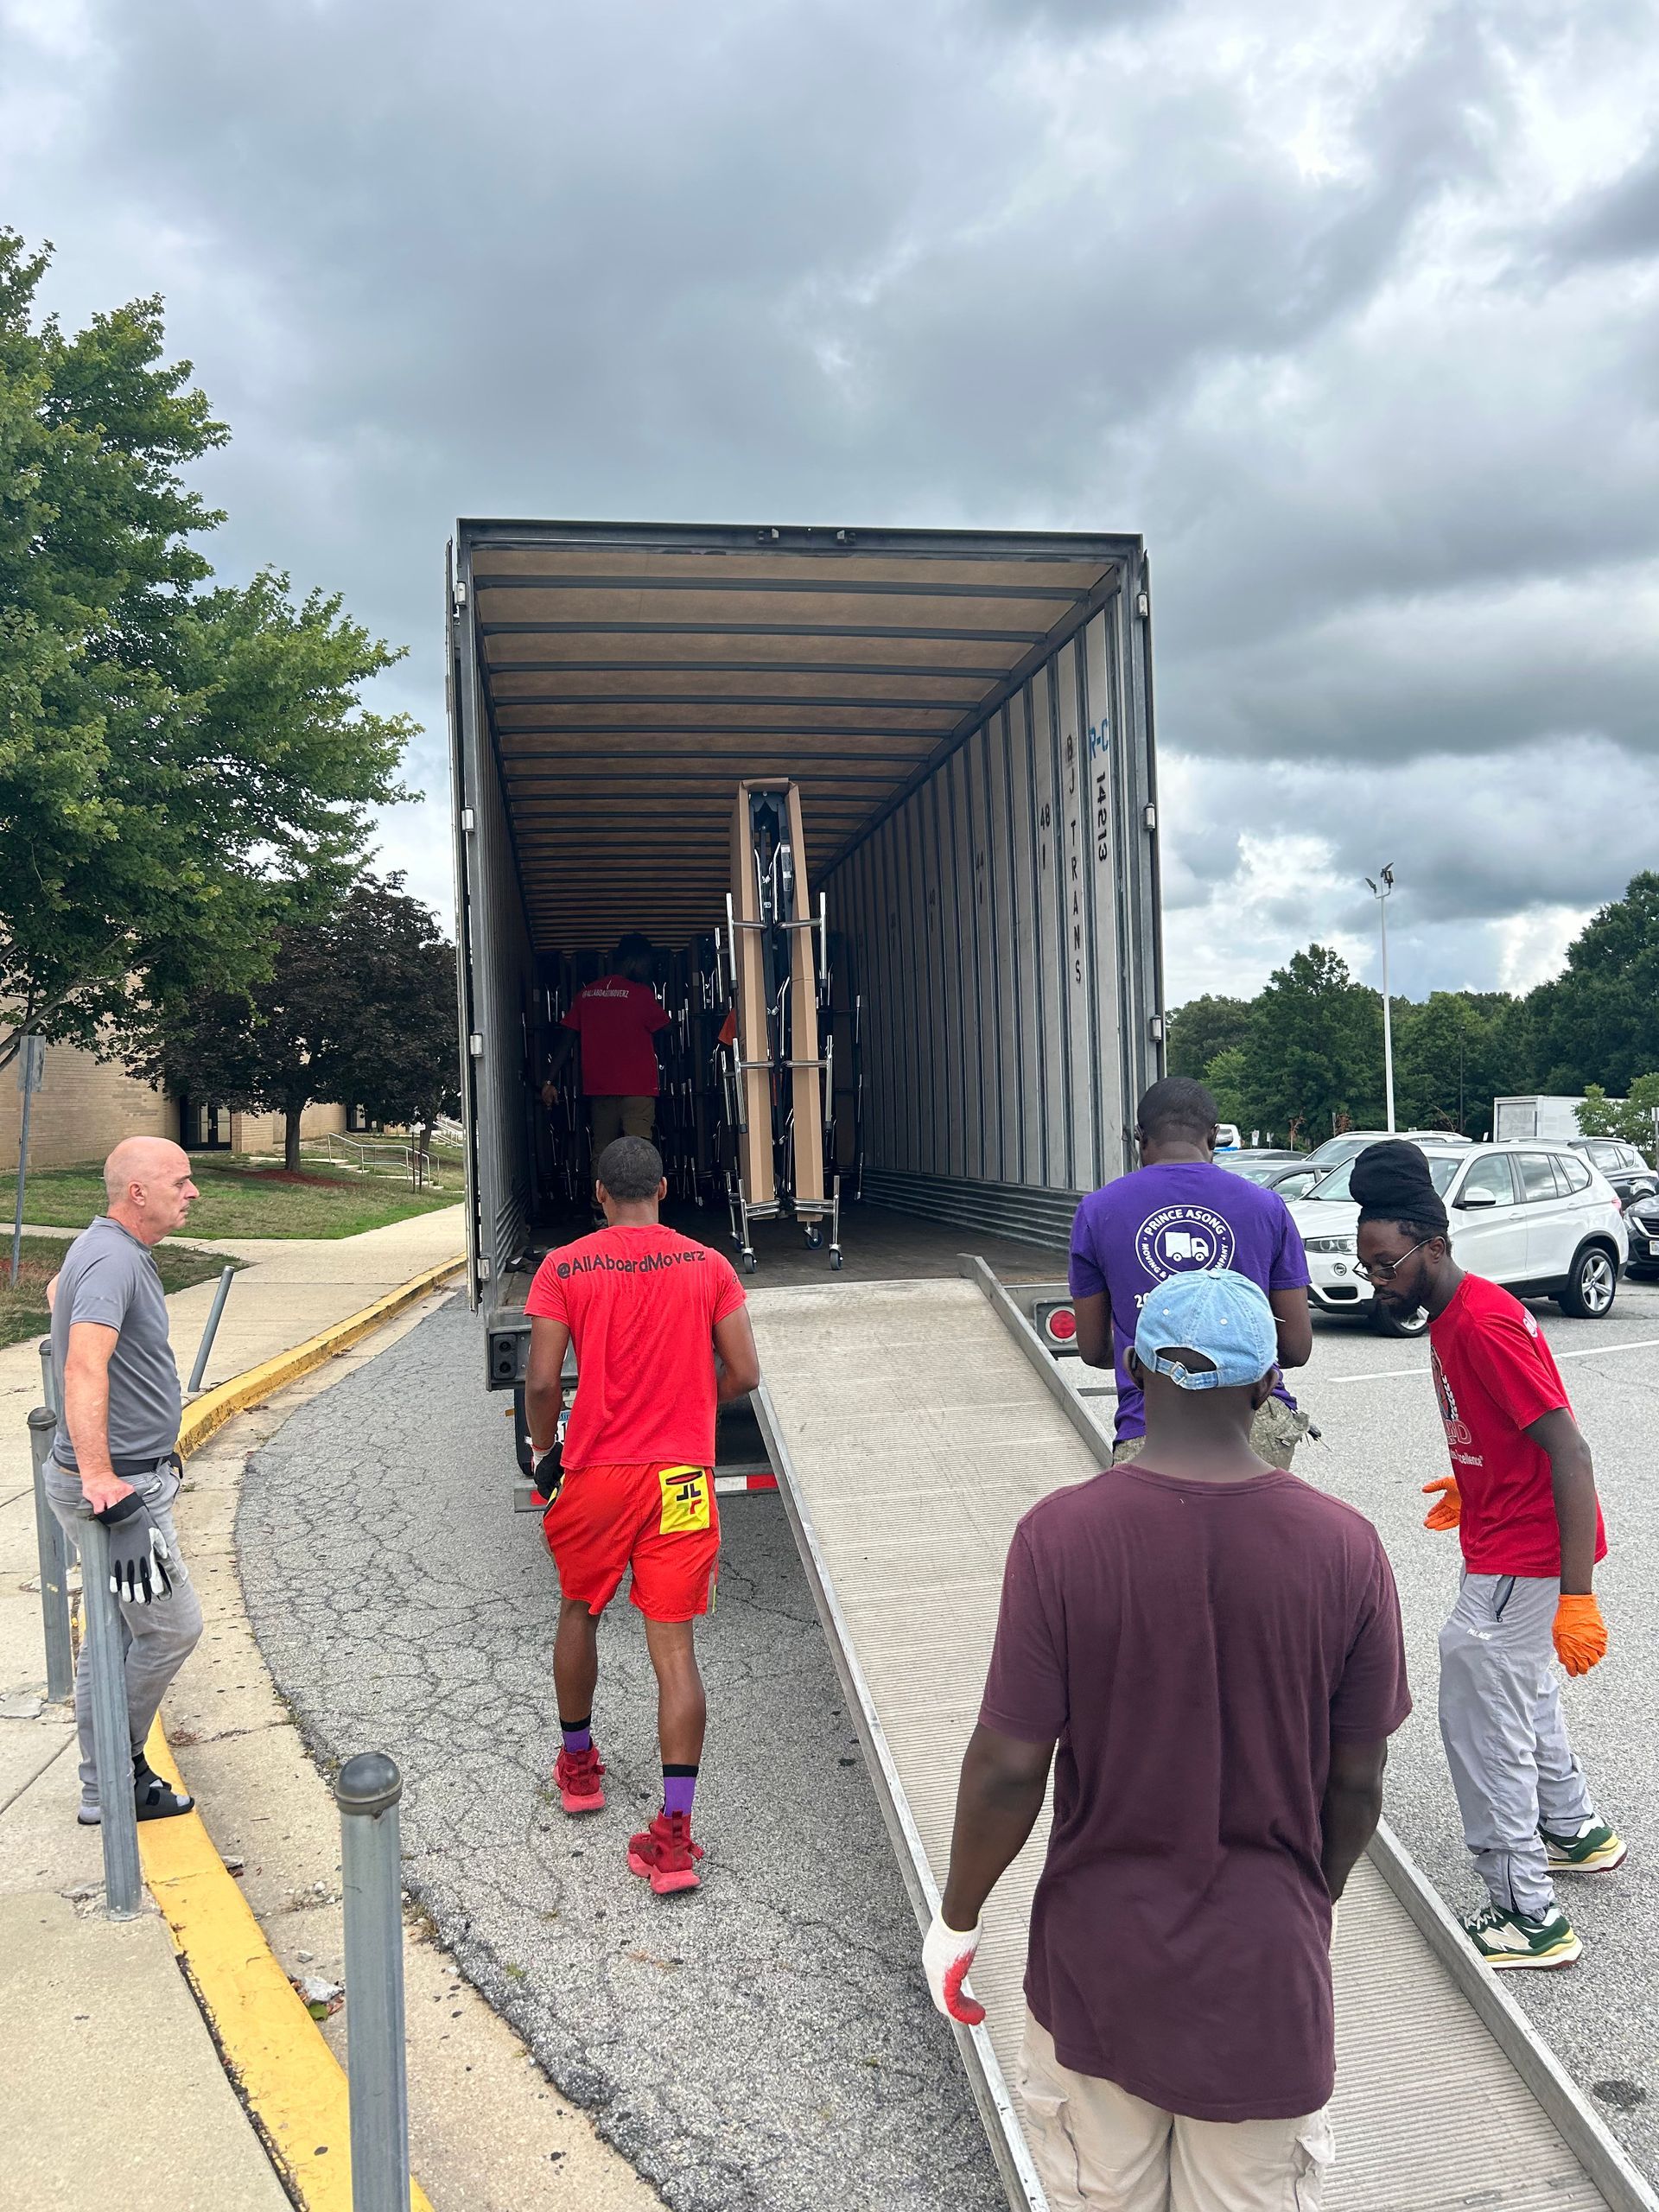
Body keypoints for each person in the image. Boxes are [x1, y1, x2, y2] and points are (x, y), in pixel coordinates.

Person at [922, 1268, 1410, 2212]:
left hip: (1100, 1963)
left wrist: (959, 1917)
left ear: (1137, 1370)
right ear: (1266, 1383)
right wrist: (1310, 1899)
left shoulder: (1061, 1536)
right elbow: (1357, 1780)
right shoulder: (1346, 1547)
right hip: (1264, 1977)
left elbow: (1010, 1766)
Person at [1353, 1141, 1623, 1971]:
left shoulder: (1484, 1323)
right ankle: (1572, 1829)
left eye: (1387, 1265)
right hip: (1506, 1529)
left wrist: (1576, 1594)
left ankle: (1525, 1914)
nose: (1377, 1281)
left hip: (1526, 1554)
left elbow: (1569, 1450)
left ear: (1434, 1246)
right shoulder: (1451, 1314)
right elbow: (1514, 1432)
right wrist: (1477, 1479)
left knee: (1480, 1714)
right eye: (1367, 1267)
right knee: (1521, 1689)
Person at [523, 1135, 760, 1896]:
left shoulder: (565, 1267)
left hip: (596, 1473)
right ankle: (675, 1838)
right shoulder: (710, 1266)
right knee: (676, 1651)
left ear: (599, 1194)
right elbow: (746, 1371)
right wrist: (693, 1403)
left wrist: (543, 1450)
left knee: (579, 1609)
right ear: (662, 1190)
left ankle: (579, 1770)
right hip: (681, 1479)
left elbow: (541, 1383)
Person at [44, 1138, 202, 1827]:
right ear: (137, 1193)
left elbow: (57, 1293)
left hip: (126, 1476)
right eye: (180, 1181)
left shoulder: (103, 1247)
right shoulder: (113, 1258)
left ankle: (103, 1787)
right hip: (120, 1491)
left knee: (110, 1638)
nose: (192, 1192)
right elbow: (84, 1365)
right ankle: (118, 1768)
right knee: (171, 1630)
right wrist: (105, 1481)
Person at [1070, 1077, 1315, 1467]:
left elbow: (1095, 1350)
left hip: (1152, 1426)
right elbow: (1295, 1349)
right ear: (1213, 1136)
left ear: (1140, 1138)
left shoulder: (1097, 1211)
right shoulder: (1266, 1207)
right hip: (1254, 1421)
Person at [543, 933, 671, 1152]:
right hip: (637, 1089)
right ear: (633, 960)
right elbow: (665, 1030)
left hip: (600, 1089)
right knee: (638, 1152)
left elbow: (566, 1040)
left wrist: (548, 1080)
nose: (648, 971)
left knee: (603, 1151)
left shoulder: (586, 995)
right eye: (646, 964)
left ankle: (601, 1177)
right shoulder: (641, 994)